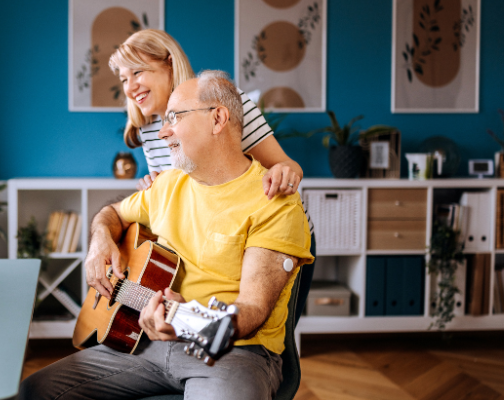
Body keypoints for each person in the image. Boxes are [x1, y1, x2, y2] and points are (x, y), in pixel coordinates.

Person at [19, 71, 314, 400]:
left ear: (218, 118)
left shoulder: (274, 204)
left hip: (235, 354)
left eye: (175, 117)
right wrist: (99, 238)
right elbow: (113, 213)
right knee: (34, 392)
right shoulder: (168, 184)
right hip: (147, 345)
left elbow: (252, 309)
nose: (163, 131)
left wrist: (185, 321)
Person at [110, 29, 302, 196]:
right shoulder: (148, 128)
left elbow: (288, 166)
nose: (130, 88)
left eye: (137, 72)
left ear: (169, 63)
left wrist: (284, 175)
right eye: (124, 79)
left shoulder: (224, 102)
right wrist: (155, 188)